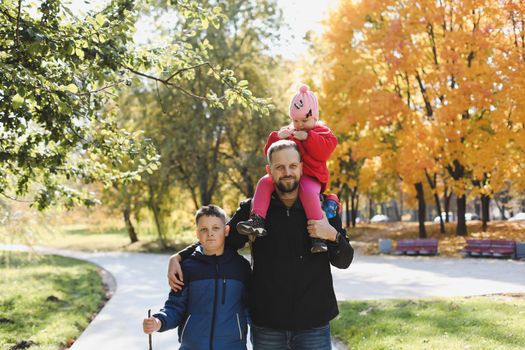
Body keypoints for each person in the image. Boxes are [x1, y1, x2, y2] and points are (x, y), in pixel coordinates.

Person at [168, 141, 354, 350]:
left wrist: (332, 235)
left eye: (292, 166)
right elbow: (221, 240)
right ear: (269, 170)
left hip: (314, 322)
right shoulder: (255, 210)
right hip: (268, 325)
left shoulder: (323, 207)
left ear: (301, 167)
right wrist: (180, 257)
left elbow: (344, 261)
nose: (287, 172)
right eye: (280, 167)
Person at [236, 84, 338, 253]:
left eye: (304, 121)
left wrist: (308, 137)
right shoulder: (291, 131)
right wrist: (278, 136)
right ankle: (258, 219)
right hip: (288, 175)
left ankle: (317, 236)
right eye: (295, 121)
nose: (299, 125)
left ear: (314, 117)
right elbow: (271, 153)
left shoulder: (322, 133)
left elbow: (324, 152)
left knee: (306, 190)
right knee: (264, 182)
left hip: (311, 177)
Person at [143, 205, 251, 350]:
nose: (210, 234)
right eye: (204, 229)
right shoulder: (187, 268)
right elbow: (175, 307)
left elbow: (251, 307)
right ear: (197, 234)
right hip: (192, 346)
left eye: (216, 228)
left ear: (226, 231)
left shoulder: (241, 267)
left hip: (233, 346)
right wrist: (158, 321)